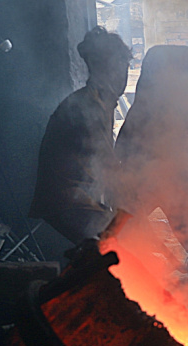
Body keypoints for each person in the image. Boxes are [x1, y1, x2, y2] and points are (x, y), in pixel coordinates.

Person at [115, 5, 188, 284]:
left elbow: (166, 120)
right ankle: (131, 289)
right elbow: (140, 112)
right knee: (122, 232)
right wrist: (117, 158)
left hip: (170, 167)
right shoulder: (159, 58)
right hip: (143, 162)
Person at [28, 27, 132, 244]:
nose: (123, 73)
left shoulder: (103, 103)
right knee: (124, 247)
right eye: (118, 65)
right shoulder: (89, 106)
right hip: (66, 199)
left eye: (126, 66)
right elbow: (109, 169)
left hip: (76, 196)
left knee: (119, 241)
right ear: (98, 67)